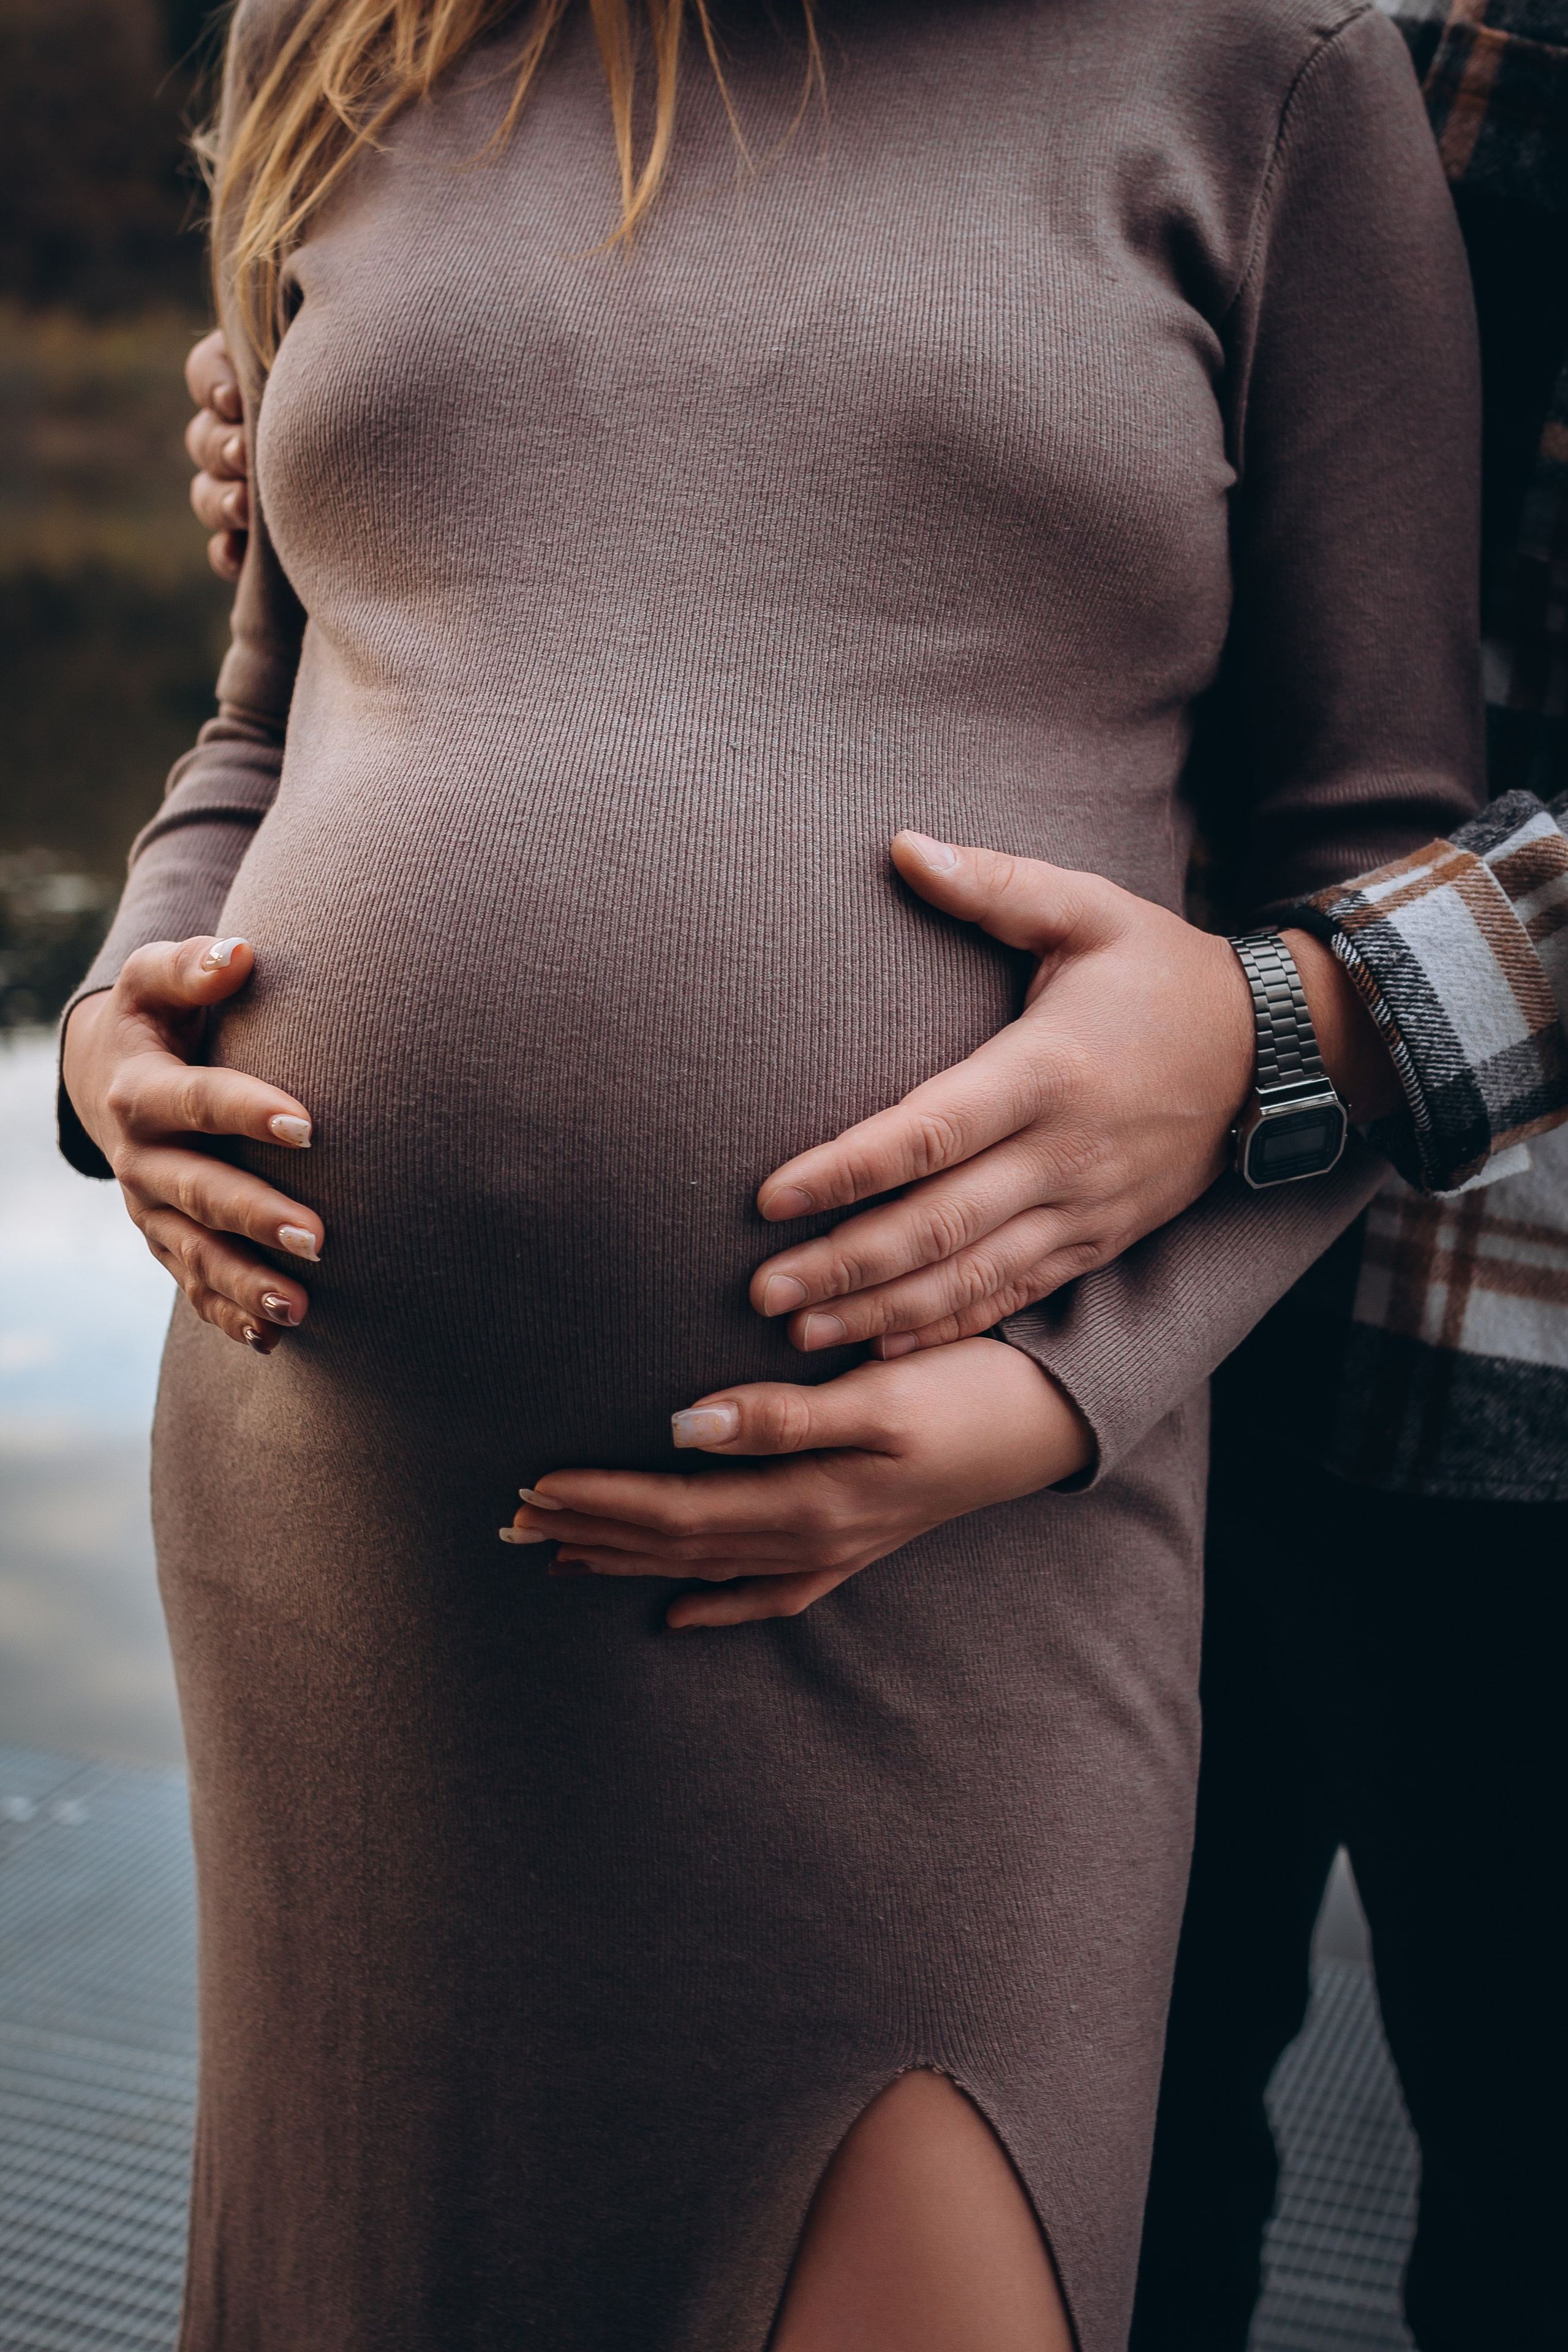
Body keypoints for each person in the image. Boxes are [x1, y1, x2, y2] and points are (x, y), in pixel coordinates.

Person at [60, 1, 1482, 2345]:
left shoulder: (1274, 82)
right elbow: (260, 720)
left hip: (946, 1585)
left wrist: (1059, 1399)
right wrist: (116, 1030)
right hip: (343, 1551)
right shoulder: (353, 41)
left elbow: (1369, 904)